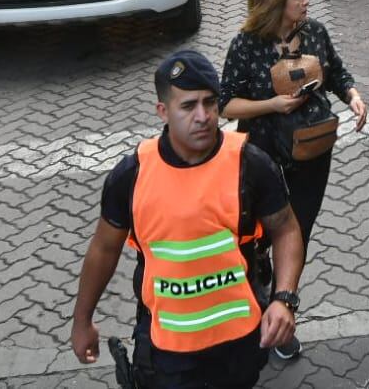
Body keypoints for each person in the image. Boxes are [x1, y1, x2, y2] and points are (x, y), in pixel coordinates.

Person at [70, 51, 303, 386]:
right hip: (167, 350)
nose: (203, 116)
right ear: (162, 111)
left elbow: (286, 229)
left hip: (238, 343)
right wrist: (82, 322)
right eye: (188, 105)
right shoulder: (133, 175)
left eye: (210, 103)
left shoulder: (250, 164)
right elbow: (104, 249)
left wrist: (284, 299)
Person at [219, 0, 365, 358]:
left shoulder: (315, 31)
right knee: (258, 233)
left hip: (312, 152)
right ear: (277, 4)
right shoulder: (246, 45)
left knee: (297, 230)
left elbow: (336, 70)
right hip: (262, 155)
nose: (306, 0)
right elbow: (225, 103)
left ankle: (280, 313)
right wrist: (273, 104)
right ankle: (258, 277)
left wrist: (352, 96)